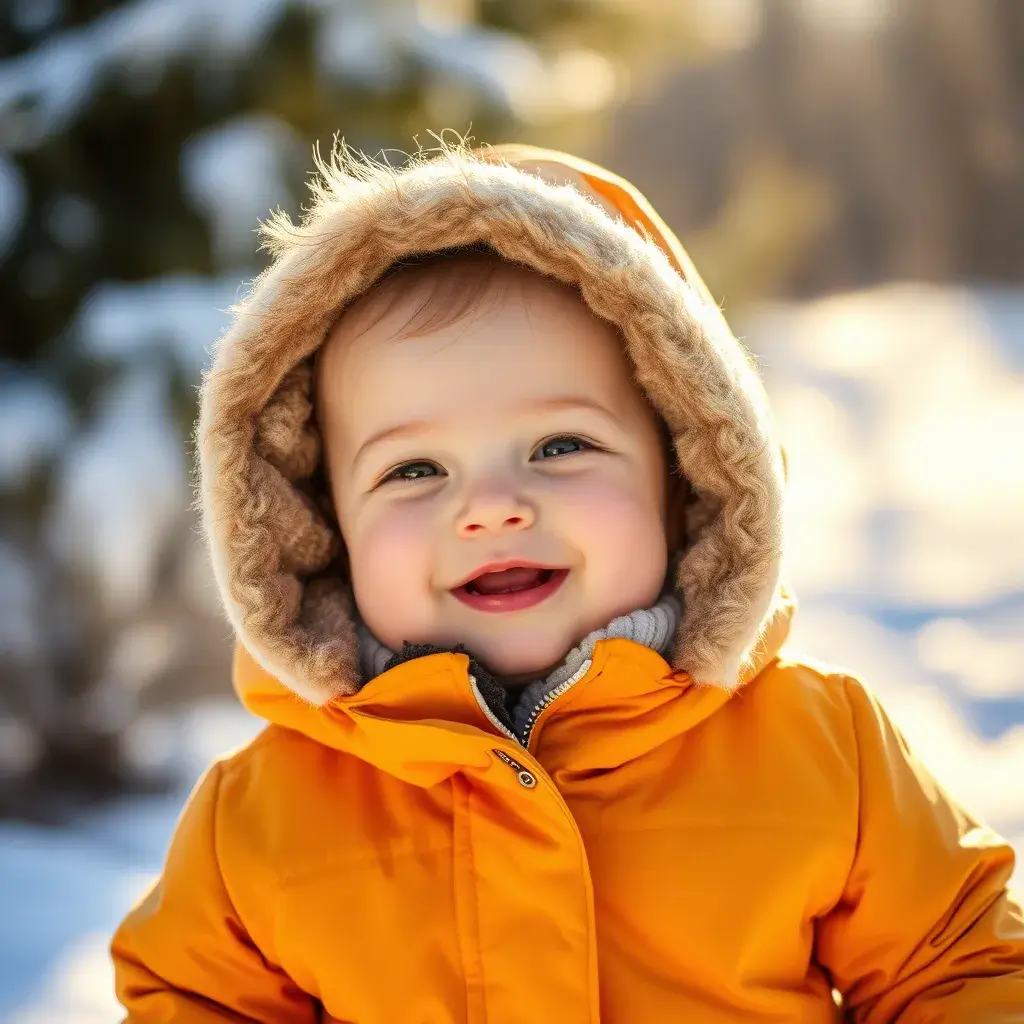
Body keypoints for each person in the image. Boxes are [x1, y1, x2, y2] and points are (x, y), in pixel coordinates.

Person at [110, 141, 1024, 1022]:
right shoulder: (263, 820)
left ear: (686, 475)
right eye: (414, 470)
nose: (491, 508)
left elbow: (959, 965)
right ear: (321, 527)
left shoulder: (819, 748)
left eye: (560, 446)